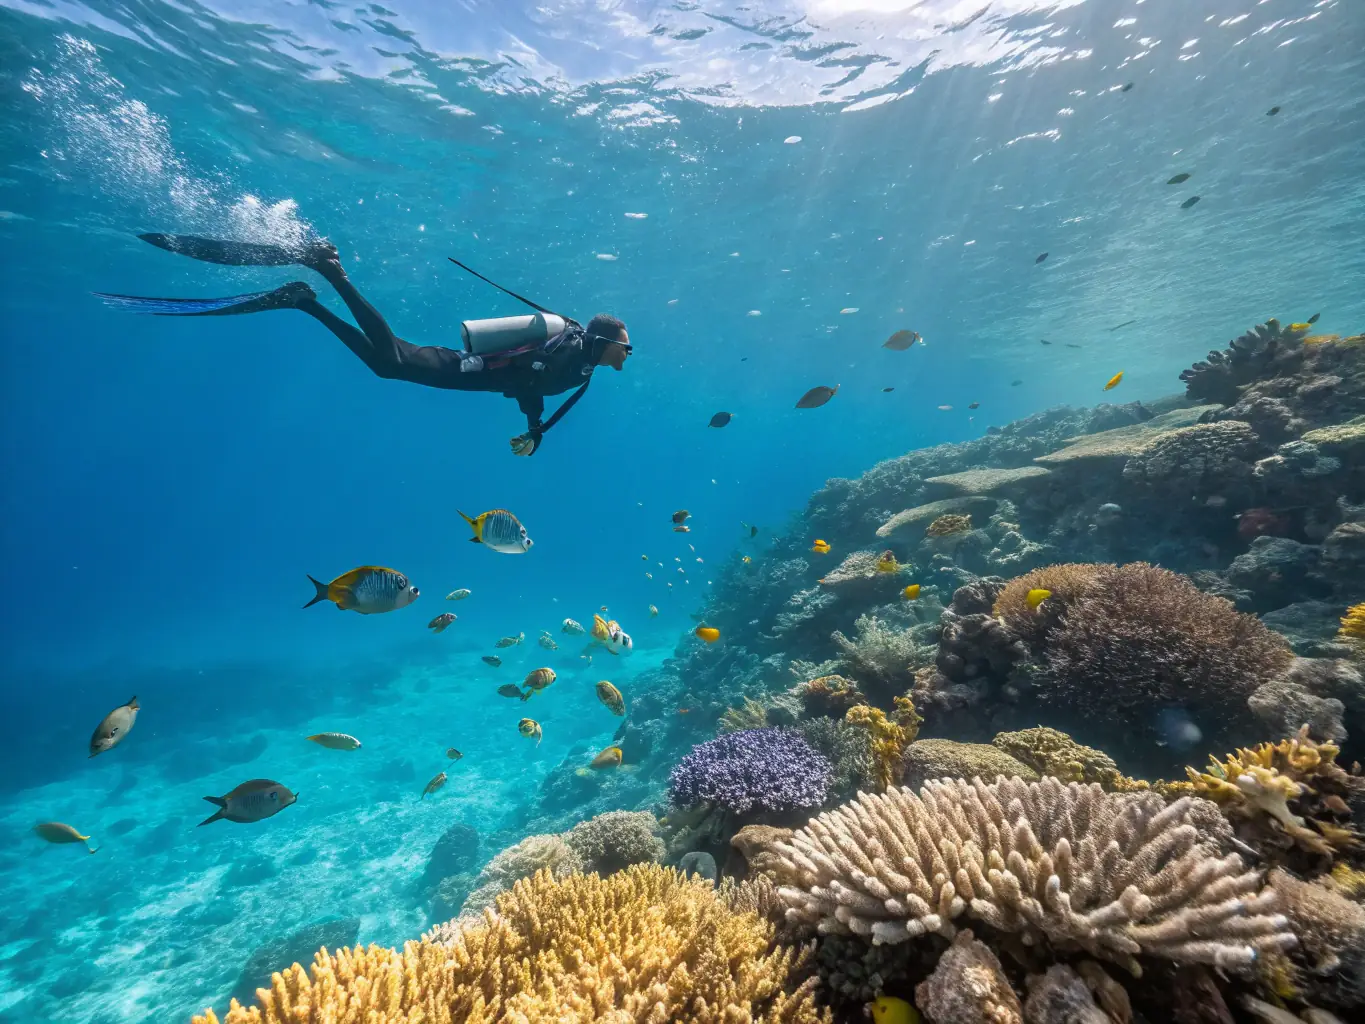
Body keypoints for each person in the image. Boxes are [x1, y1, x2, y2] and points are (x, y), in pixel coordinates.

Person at [97, 233, 632, 456]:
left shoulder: (581, 369)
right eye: (625, 347)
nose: (627, 355)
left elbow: (530, 387)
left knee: (387, 366)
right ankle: (328, 271)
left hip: (471, 375)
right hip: (465, 367)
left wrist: (534, 429)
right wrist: (533, 421)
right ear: (605, 339)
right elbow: (531, 377)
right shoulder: (572, 347)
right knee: (394, 357)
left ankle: (302, 299)